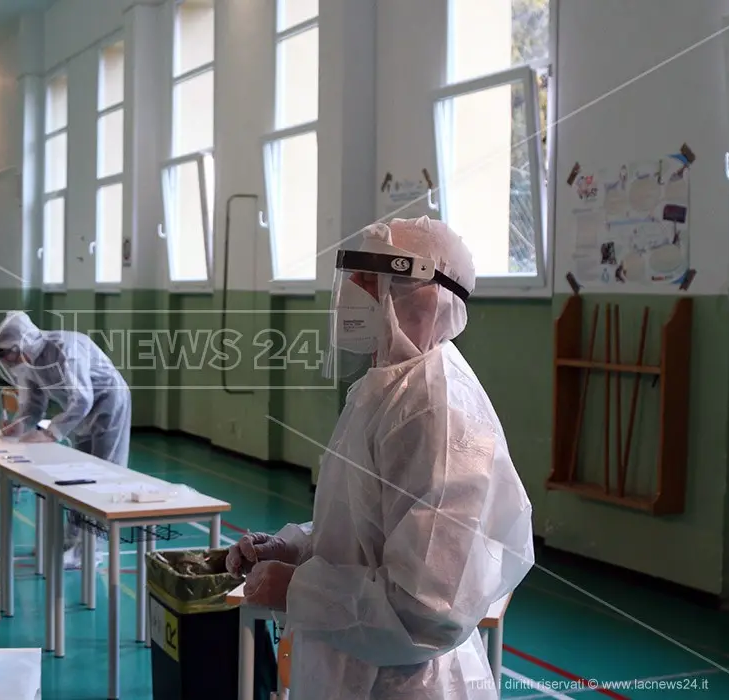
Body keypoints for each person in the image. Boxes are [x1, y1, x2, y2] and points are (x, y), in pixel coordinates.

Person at [227, 217, 534, 699]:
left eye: (369, 277)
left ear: (421, 294)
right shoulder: (389, 388)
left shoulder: (437, 413)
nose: (352, 288)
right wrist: (295, 550)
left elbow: (429, 611)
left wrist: (297, 589)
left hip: (404, 684)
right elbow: (373, 525)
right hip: (350, 671)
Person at [0, 311, 131, 568]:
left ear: (22, 344)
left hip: (109, 406)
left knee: (103, 477)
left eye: (10, 355)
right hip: (78, 414)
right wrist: (16, 428)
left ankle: (90, 551)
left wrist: (50, 433)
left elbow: (83, 398)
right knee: (80, 477)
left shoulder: (65, 349)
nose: (11, 363)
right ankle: (71, 543)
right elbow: (33, 408)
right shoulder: (28, 365)